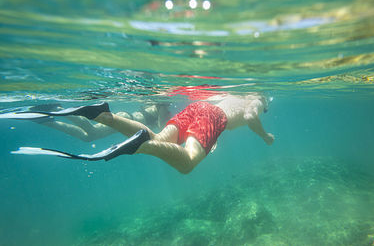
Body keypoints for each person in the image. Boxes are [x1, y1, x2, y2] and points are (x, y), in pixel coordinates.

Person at [12, 94, 274, 174]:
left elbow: (207, 110)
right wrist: (264, 135)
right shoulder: (255, 100)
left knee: (159, 140)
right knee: (187, 163)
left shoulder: (229, 94)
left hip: (201, 108)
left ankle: (104, 115)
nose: (265, 107)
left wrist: (210, 135)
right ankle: (138, 145)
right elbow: (250, 116)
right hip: (214, 117)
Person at [30, 103, 171, 142]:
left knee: (88, 137)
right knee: (92, 131)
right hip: (128, 119)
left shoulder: (160, 105)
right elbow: (161, 128)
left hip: (127, 120)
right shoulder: (163, 105)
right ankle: (57, 109)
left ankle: (47, 122)